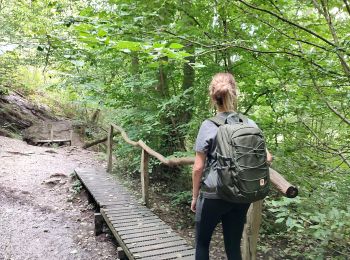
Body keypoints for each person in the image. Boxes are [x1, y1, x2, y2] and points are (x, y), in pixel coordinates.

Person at [191, 72, 272, 260]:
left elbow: (198, 167)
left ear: (213, 96)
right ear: (235, 93)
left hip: (214, 194)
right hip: (242, 195)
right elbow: (266, 158)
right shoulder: (249, 123)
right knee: (233, 247)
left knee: (203, 244)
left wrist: (195, 196)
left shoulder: (208, 125)